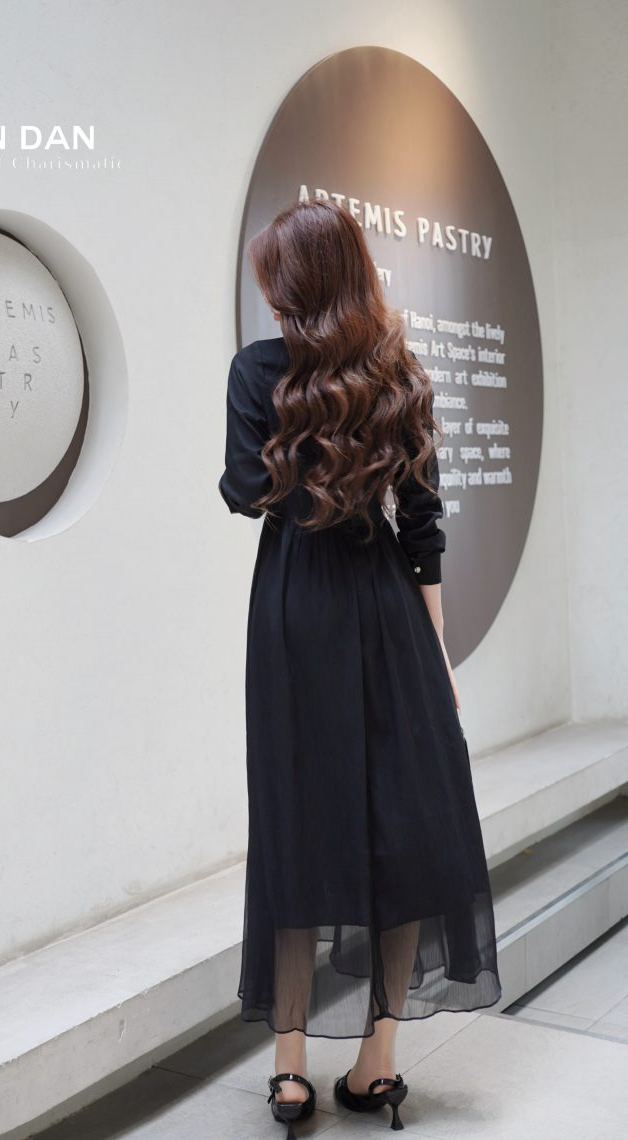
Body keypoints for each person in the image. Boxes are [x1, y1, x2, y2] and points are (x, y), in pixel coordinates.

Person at [218, 198, 502, 1135]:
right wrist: (438, 651)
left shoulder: (258, 371)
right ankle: (378, 1061)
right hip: (386, 607)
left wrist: (299, 460)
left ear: (292, 284)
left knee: (294, 820)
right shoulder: (398, 372)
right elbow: (421, 528)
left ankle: (289, 1069)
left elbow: (245, 491)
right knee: (403, 822)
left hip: (295, 608)